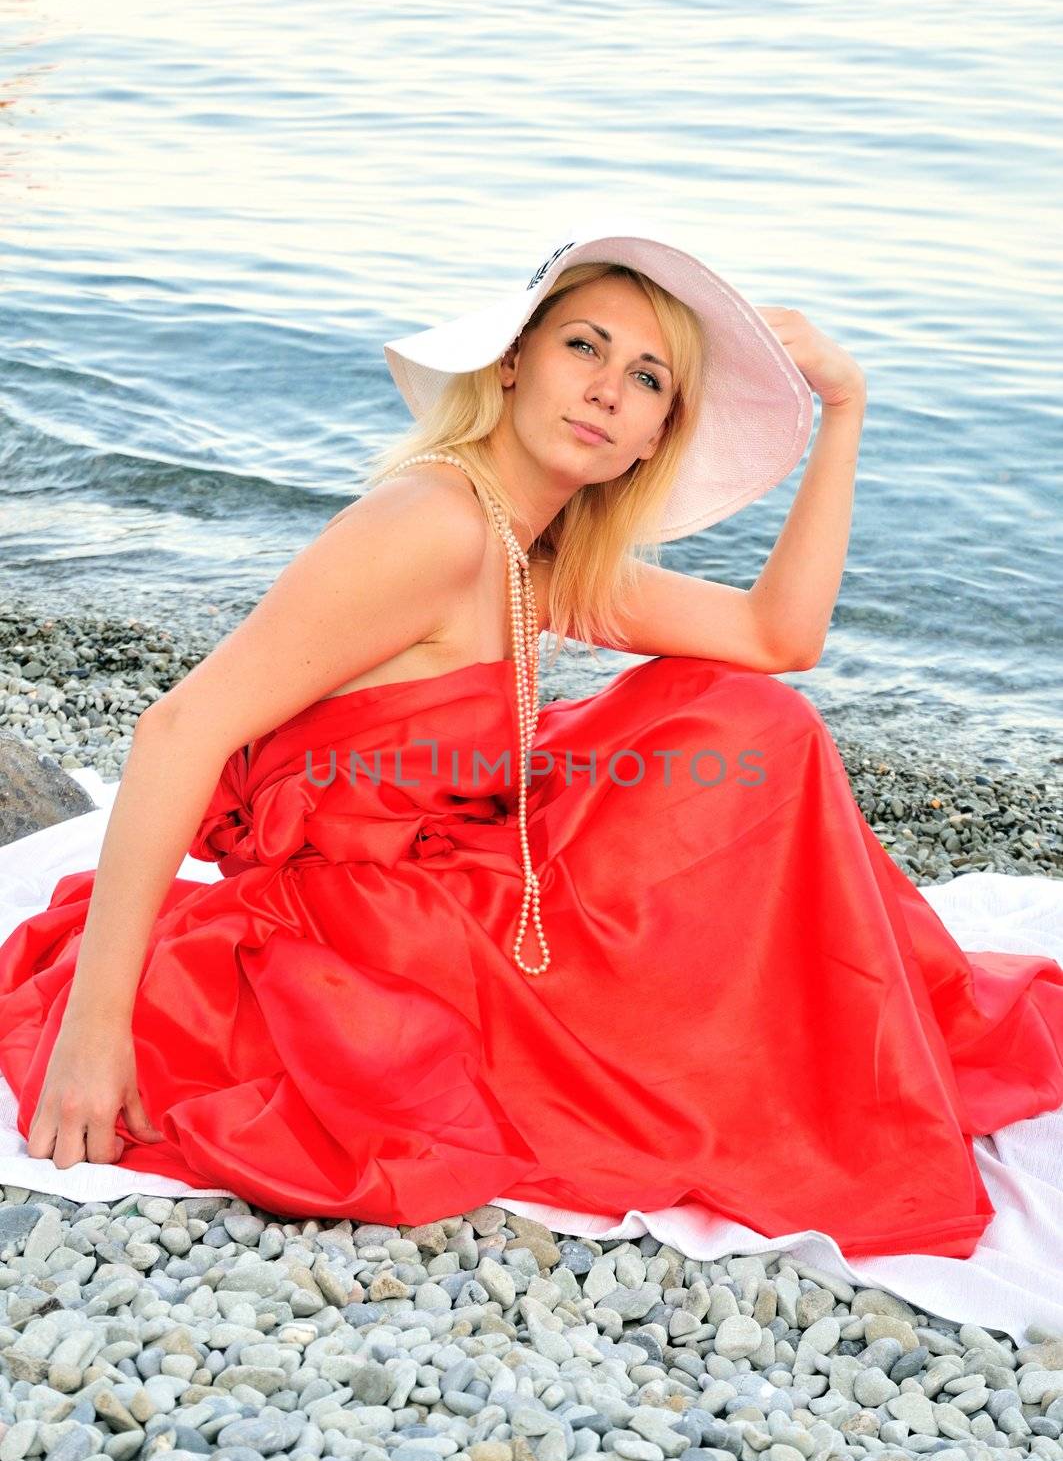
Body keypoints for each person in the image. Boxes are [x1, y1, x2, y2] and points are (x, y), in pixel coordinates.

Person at [0, 221, 1060, 1260]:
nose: (607, 388)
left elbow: (775, 637)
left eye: (647, 379)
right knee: (709, 997)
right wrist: (95, 1034)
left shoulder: (532, 553)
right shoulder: (436, 525)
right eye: (584, 346)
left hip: (449, 879)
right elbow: (177, 725)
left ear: (654, 436)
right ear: (511, 365)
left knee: (748, 723)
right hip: (357, 937)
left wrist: (846, 407)